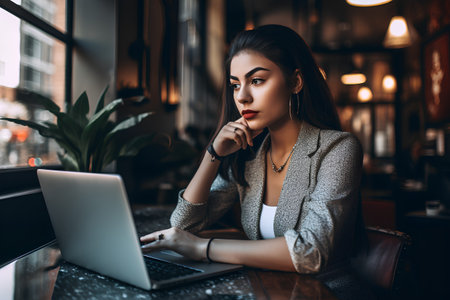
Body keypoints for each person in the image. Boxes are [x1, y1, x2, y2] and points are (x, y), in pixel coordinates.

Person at [141, 24, 364, 273]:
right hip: (265, 289)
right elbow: (182, 225)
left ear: (296, 82)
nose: (242, 96)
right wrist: (212, 155)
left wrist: (202, 248)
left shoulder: (338, 149)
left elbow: (311, 253)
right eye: (235, 85)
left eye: (256, 80)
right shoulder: (249, 156)